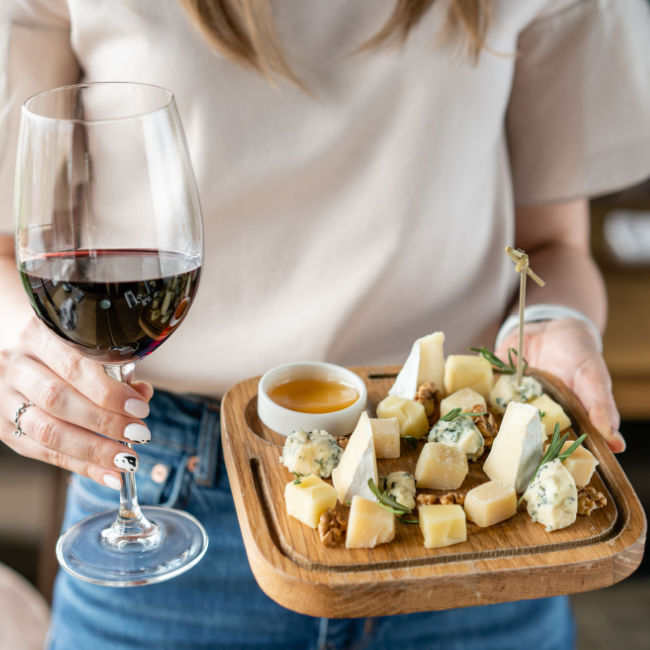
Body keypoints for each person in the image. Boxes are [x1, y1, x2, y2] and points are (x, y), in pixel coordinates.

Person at [1, 0, 649, 648]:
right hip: (167, 508)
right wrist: (19, 349)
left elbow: (552, 245)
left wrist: (556, 323)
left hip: (466, 507)